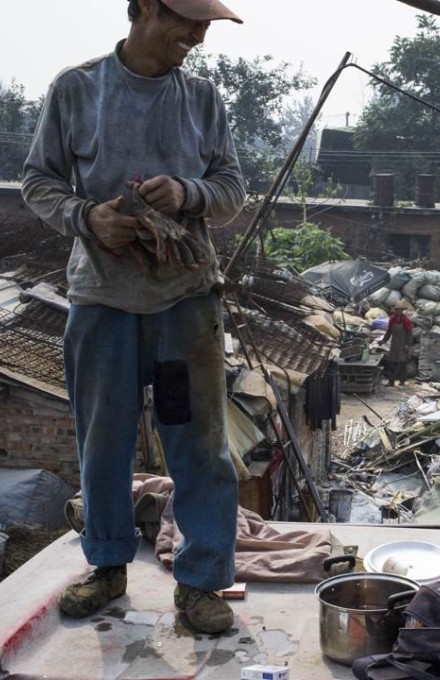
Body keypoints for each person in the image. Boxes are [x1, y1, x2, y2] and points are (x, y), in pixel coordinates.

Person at [21, 0, 246, 635]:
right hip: (102, 302)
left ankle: (202, 582)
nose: (199, 34)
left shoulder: (202, 98)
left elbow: (231, 189)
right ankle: (108, 566)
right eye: (189, 19)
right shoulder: (78, 89)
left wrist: (187, 192)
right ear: (143, 7)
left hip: (187, 303)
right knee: (103, 444)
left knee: (199, 448)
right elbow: (39, 181)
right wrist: (88, 217)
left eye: (207, 23)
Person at [381, 299, 413, 386]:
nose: (398, 311)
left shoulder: (406, 320)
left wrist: (407, 345)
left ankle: (402, 381)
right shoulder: (392, 319)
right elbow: (389, 332)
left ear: (402, 310)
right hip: (394, 344)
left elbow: (409, 333)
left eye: (400, 310)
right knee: (392, 363)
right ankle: (391, 381)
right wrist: (383, 341)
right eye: (397, 310)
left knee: (402, 363)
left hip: (403, 344)